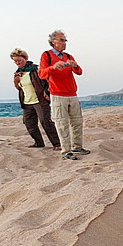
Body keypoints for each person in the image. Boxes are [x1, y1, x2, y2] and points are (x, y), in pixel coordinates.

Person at [38, 29, 89, 160]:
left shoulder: (68, 56)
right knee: (62, 123)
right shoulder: (46, 55)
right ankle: (66, 150)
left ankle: (77, 147)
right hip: (57, 94)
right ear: (53, 42)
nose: (64, 43)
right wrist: (53, 67)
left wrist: (75, 65)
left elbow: (79, 72)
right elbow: (41, 74)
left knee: (77, 121)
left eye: (65, 40)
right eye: (61, 40)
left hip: (72, 93)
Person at [10, 48, 60, 150]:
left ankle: (57, 144)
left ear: (25, 58)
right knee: (29, 123)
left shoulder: (35, 69)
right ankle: (39, 143)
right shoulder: (18, 73)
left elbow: (48, 80)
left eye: (19, 60)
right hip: (27, 102)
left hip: (39, 100)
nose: (17, 62)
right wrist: (15, 81)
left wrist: (47, 92)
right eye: (15, 61)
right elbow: (19, 88)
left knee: (45, 122)